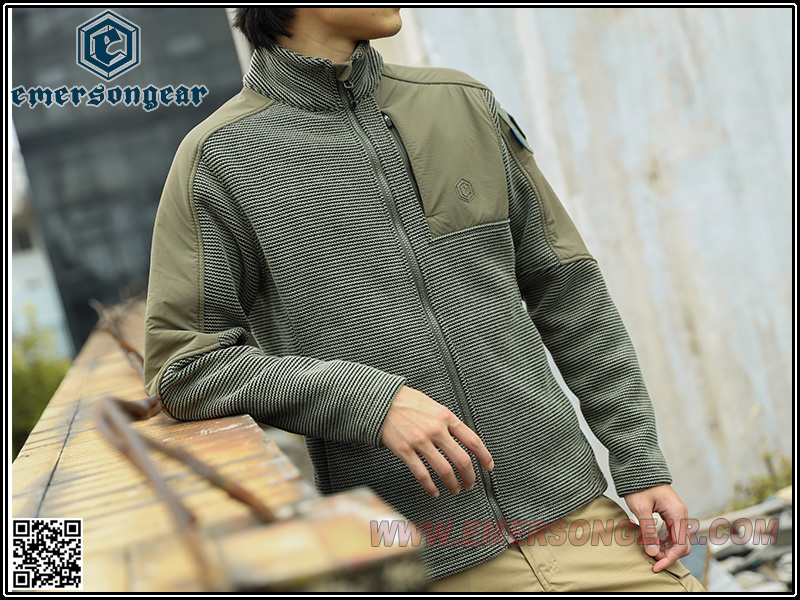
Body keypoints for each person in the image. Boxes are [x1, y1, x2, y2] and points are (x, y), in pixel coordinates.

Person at [143, 7, 706, 592]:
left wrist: (638, 460)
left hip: (579, 517)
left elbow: (567, 291)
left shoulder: (461, 104)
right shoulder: (219, 159)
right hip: (419, 560)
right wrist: (369, 400)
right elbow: (183, 368)